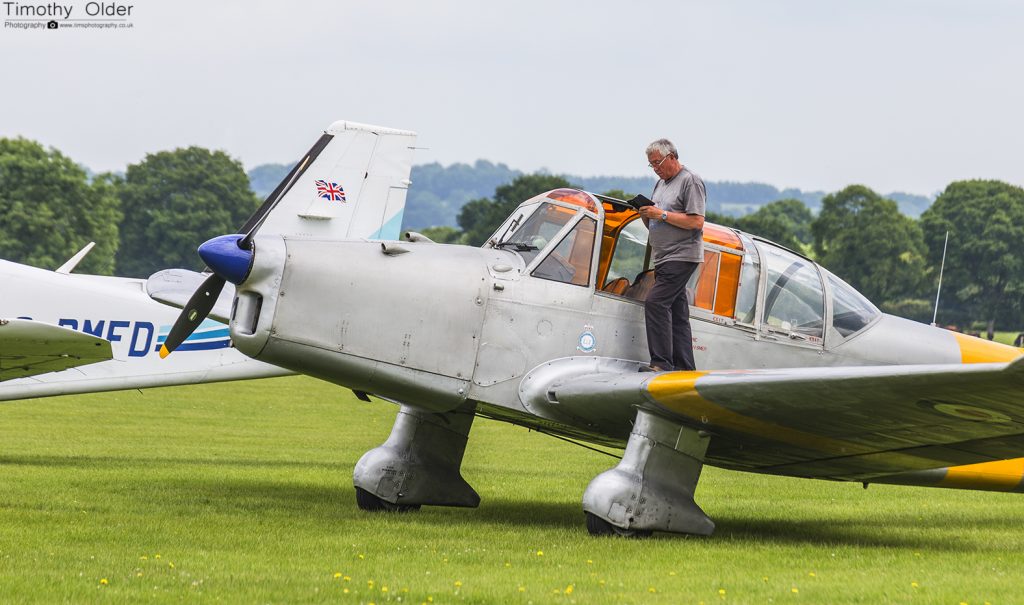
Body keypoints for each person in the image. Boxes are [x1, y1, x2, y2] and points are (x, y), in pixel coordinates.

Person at [634, 138, 706, 372]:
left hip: (682, 255)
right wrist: (646, 214)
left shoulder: (690, 181)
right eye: (651, 165)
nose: (655, 168)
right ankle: (685, 368)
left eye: (657, 162)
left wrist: (661, 215)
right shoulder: (660, 185)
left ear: (672, 157)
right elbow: (658, 221)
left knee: (655, 303)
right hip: (664, 257)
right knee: (678, 313)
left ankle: (662, 363)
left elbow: (696, 221)